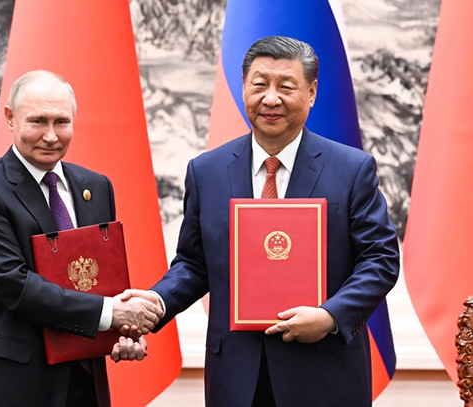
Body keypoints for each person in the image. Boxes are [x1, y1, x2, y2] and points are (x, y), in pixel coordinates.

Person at [123, 36, 400, 406]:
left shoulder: (351, 170)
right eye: (259, 85)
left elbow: (380, 259)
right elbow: (194, 262)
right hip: (237, 376)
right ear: (243, 88)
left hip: (324, 371)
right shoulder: (207, 171)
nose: (271, 98)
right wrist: (157, 301)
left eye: (286, 87)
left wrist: (330, 315)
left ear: (312, 93)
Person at [0, 70, 162, 407]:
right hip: (11, 386)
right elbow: (15, 285)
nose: (51, 136)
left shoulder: (96, 187)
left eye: (61, 122)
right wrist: (112, 314)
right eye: (38, 121)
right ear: (10, 117)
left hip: (84, 383)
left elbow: (99, 281)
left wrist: (123, 333)